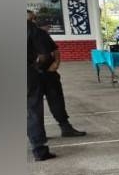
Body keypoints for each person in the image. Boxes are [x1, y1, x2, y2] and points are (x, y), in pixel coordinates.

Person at [27, 11, 86, 139]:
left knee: (56, 101)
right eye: (32, 19)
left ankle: (65, 128)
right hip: (33, 75)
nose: (33, 21)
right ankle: (37, 134)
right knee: (34, 107)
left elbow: (55, 49)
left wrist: (56, 63)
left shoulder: (40, 33)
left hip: (48, 73)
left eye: (33, 19)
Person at [27, 14, 57, 161]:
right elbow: (45, 54)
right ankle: (39, 150)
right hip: (27, 73)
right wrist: (36, 66)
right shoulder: (31, 29)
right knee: (33, 110)